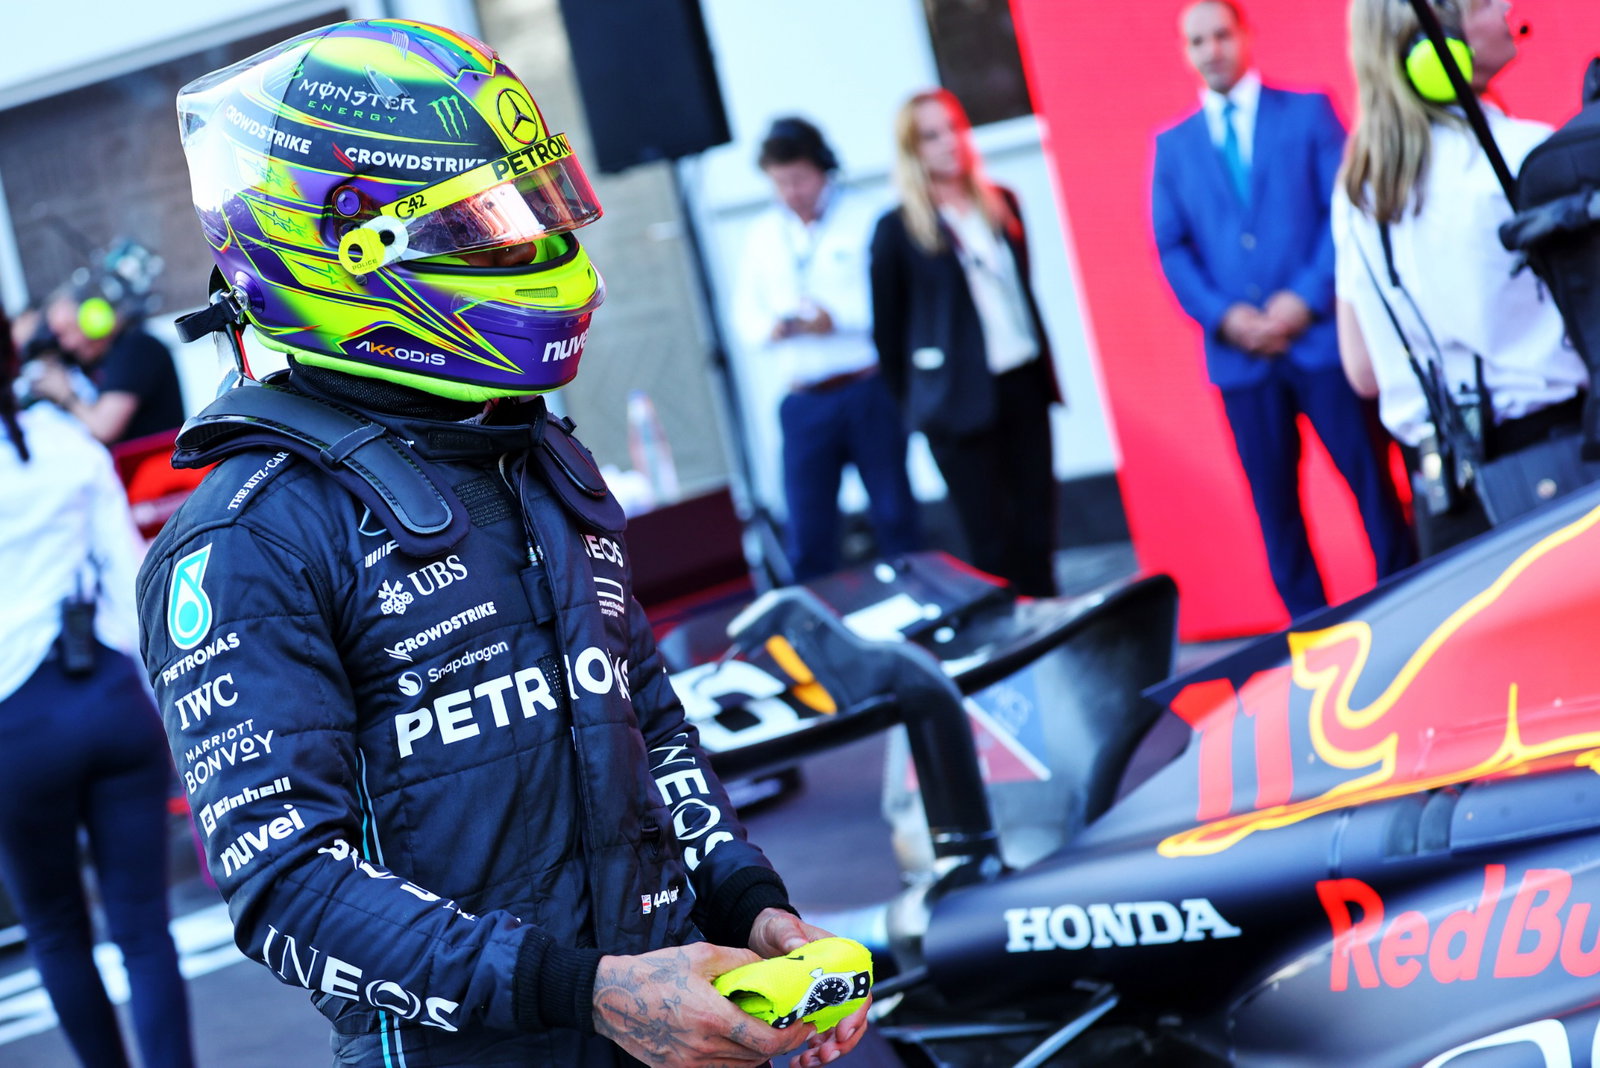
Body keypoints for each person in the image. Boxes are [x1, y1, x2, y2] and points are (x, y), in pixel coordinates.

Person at [137, 19, 867, 1068]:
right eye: (489, 225)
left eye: (536, 215)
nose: (532, 249)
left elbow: (647, 724)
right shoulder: (246, 538)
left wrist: (747, 905)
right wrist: (585, 992)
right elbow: (285, 886)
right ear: (346, 249)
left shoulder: (533, 451)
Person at [1152, 0, 1416, 619]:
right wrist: (1226, 316)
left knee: (1374, 488)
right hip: (1241, 361)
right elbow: (1172, 248)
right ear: (1185, 52)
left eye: (1221, 34)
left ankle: (1406, 610)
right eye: (1197, 41)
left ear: (1245, 36)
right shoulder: (1174, 146)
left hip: (1321, 343)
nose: (1211, 49)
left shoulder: (1307, 112)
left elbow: (1345, 210)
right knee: (1277, 510)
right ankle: (1311, 638)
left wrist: (1304, 296)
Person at [0, 305, 196, 1068]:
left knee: (55, 930)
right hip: (111, 701)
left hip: (15, 731)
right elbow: (130, 581)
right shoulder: (65, 444)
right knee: (145, 929)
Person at [1333, 0, 1587, 556]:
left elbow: (1362, 373)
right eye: (1483, 3)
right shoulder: (1528, 155)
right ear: (1435, 47)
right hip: (1563, 475)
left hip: (1446, 505)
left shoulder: (1357, 191)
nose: (1506, 10)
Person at [871, 89, 1061, 597]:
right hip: (956, 403)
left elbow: (1021, 290)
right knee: (991, 545)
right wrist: (919, 406)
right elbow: (888, 336)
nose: (948, 143)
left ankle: (1060, 648)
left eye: (953, 128)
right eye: (931, 135)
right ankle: (1016, 662)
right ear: (913, 150)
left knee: (1037, 531)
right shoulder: (897, 231)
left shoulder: (1000, 203)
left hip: (1021, 382)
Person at [733, 116, 921, 582]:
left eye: (799, 179)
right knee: (808, 529)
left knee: (895, 514)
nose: (792, 192)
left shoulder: (867, 217)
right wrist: (770, 329)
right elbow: (745, 312)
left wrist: (838, 321)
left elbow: (895, 302)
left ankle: (921, 605)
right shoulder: (763, 234)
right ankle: (815, 636)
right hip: (804, 400)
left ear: (821, 170)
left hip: (865, 389)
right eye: (781, 183)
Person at [28, 286, 184, 445]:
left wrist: (66, 395)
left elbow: (104, 429)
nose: (67, 345)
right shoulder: (101, 358)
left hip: (158, 465)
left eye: (68, 332)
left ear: (95, 319)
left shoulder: (136, 349)